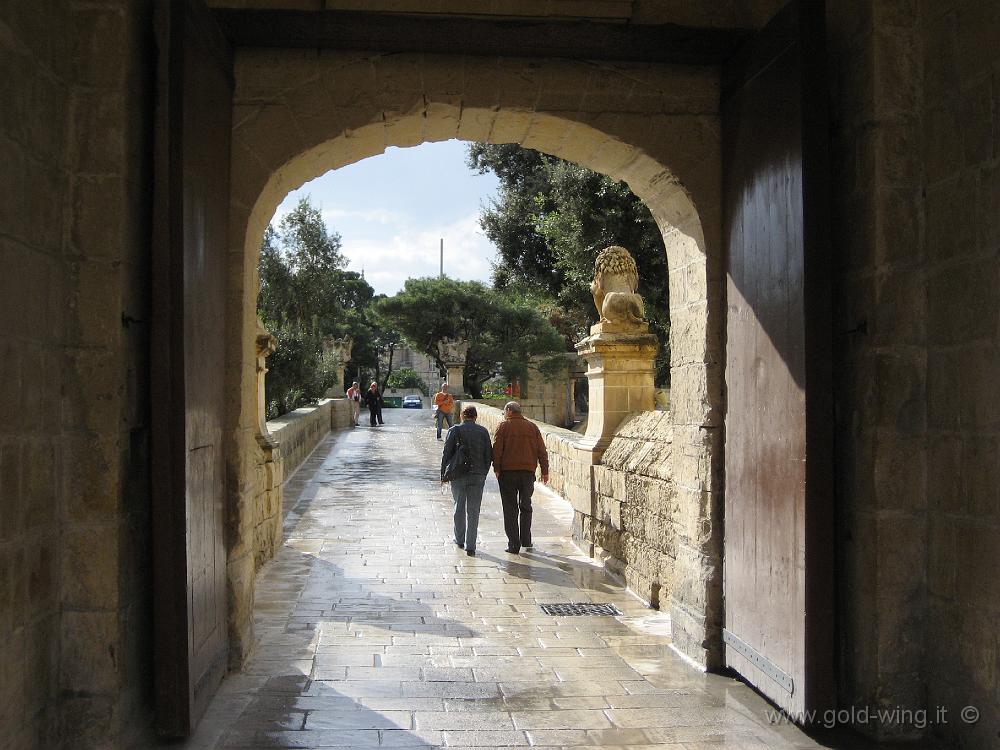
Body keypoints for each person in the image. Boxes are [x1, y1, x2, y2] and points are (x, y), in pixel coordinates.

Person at [491, 401, 548, 554]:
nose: (504, 413)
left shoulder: (503, 426)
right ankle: (526, 540)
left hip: (507, 473)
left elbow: (497, 449)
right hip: (528, 473)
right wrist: (545, 470)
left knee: (510, 508)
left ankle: (513, 544)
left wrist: (496, 468)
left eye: (504, 411)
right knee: (526, 506)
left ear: (509, 411)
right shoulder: (532, 427)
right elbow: (541, 450)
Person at [440, 405, 492, 557]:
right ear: (476, 417)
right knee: (474, 511)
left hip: (458, 475)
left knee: (459, 507)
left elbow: (446, 454)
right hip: (477, 475)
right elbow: (488, 454)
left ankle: (459, 539)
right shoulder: (483, 431)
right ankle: (471, 545)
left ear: (462, 416)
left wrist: (443, 475)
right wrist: (483, 472)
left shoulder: (454, 431)